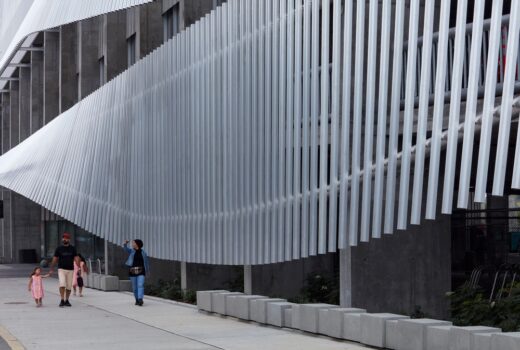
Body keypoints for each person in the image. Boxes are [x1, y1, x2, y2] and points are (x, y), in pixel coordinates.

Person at [49, 232, 81, 307]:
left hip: (70, 270)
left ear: (69, 239)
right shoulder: (59, 248)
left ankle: (67, 300)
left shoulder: (73, 248)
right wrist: (51, 269)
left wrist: (79, 267)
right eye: (64, 238)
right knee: (62, 284)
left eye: (66, 238)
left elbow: (76, 258)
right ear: (62, 239)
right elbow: (55, 259)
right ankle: (62, 299)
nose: (65, 239)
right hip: (61, 269)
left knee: (69, 287)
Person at [123, 239, 150, 306]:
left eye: (133, 243)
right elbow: (125, 249)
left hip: (141, 271)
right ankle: (137, 299)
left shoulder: (143, 253)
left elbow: (146, 263)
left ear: (137, 244)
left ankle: (140, 299)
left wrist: (147, 271)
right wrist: (125, 244)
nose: (132, 244)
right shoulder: (132, 251)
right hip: (132, 271)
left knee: (140, 285)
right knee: (135, 287)